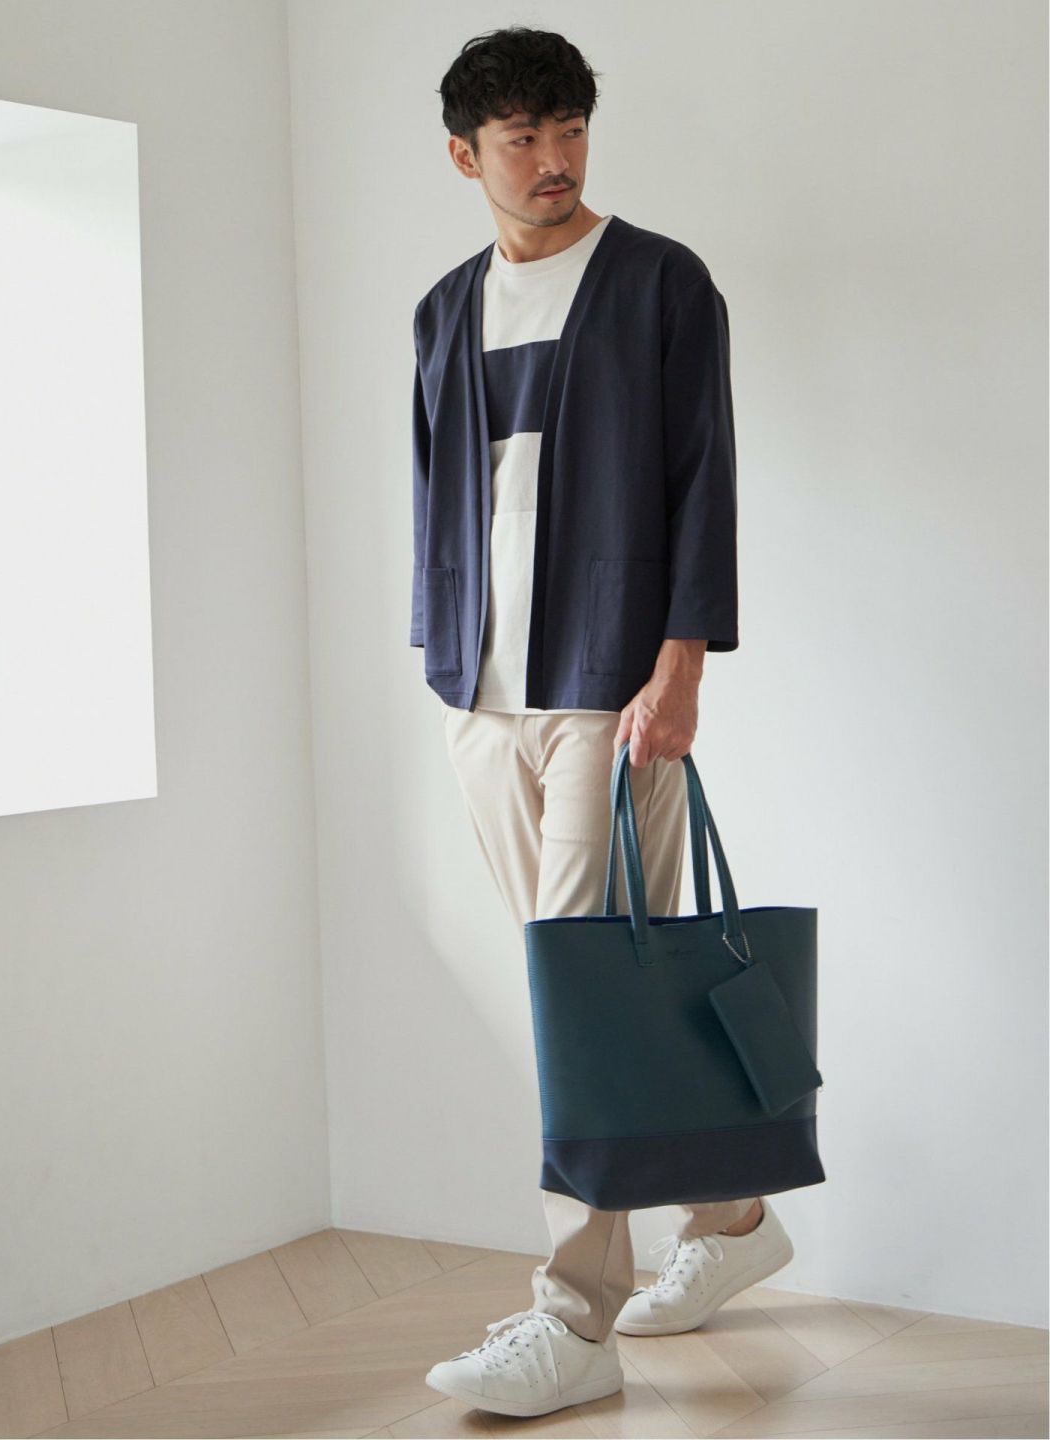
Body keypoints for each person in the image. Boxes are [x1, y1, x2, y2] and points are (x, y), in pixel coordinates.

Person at [410, 25, 795, 1422]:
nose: (554, 157)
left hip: (610, 686)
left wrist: (681, 664)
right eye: (522, 136)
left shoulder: (661, 283)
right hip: (482, 695)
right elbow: (436, 489)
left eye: (569, 127)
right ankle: (734, 1215)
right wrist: (442, 656)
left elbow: (703, 476)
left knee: (578, 999)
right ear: (467, 156)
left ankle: (573, 1319)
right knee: (599, 993)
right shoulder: (442, 311)